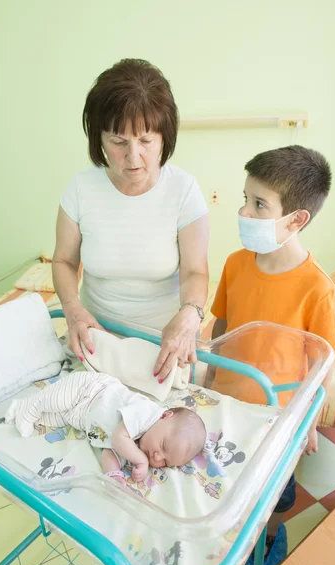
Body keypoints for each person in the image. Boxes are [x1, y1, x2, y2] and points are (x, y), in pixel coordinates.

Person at [207, 145, 335, 565]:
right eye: (244, 199)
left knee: (274, 498)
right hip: (226, 407)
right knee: (227, 487)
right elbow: (221, 328)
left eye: (259, 204)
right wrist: (206, 382)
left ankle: (269, 540)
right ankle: (232, 543)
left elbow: (327, 367)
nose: (244, 211)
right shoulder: (234, 264)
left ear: (296, 219)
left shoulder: (317, 289)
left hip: (277, 420)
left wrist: (310, 423)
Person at [52, 58, 209, 382]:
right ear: (99, 138)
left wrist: (191, 313)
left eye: (146, 141)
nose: (134, 157)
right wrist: (72, 309)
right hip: (95, 343)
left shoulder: (183, 190)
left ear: (165, 137)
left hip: (161, 349)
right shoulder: (81, 188)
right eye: (119, 142)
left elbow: (195, 272)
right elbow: (64, 261)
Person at [5, 372, 206, 485]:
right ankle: (29, 406)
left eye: (165, 461)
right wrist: (141, 460)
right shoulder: (148, 413)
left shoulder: (138, 444)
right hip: (90, 390)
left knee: (53, 418)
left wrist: (115, 477)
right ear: (165, 415)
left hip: (82, 417)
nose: (156, 456)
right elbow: (119, 438)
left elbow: (110, 450)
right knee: (55, 399)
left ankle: (20, 410)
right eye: (163, 445)